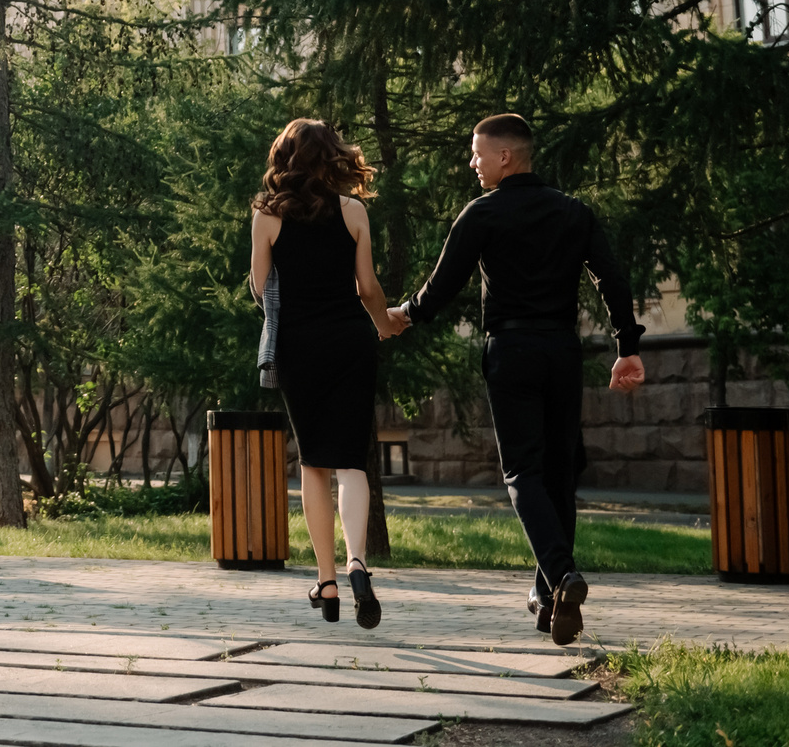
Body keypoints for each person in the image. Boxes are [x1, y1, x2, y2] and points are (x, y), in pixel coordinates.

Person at [388, 113, 645, 646]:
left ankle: (562, 574)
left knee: (522, 473)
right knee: (559, 472)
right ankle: (551, 599)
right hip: (561, 351)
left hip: (511, 351)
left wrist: (402, 315)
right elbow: (612, 280)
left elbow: (440, 289)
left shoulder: (482, 214)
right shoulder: (574, 212)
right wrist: (627, 348)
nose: (472, 163)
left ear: (506, 156)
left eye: (478, 153)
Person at [249, 118, 407, 629]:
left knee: (314, 463)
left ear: (285, 157)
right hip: (350, 342)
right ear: (331, 157)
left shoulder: (267, 215)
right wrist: (385, 325)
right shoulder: (354, 211)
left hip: (299, 346)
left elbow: (259, 287)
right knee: (352, 462)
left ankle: (328, 580)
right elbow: (367, 288)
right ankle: (358, 560)